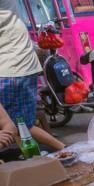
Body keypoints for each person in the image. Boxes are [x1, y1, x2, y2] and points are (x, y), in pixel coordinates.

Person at [0, 0, 65, 151]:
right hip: (24, 65)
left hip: (8, 69)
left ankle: (59, 152)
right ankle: (64, 149)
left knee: (19, 124)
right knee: (22, 123)